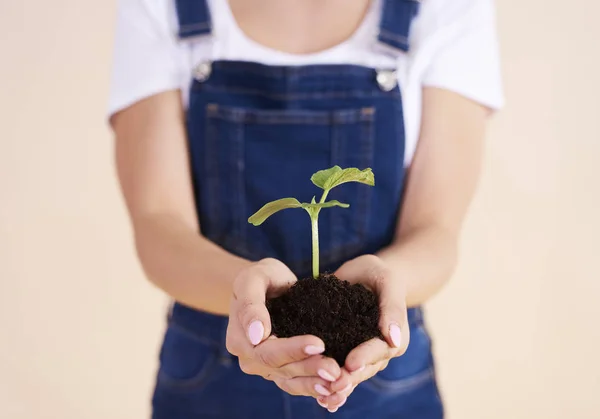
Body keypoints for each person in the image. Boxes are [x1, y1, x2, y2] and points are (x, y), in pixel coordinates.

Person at [108, 0, 503, 417]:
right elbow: (157, 223)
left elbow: (436, 230)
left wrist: (386, 285)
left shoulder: (449, 7)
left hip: (379, 374)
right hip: (212, 377)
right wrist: (248, 298)